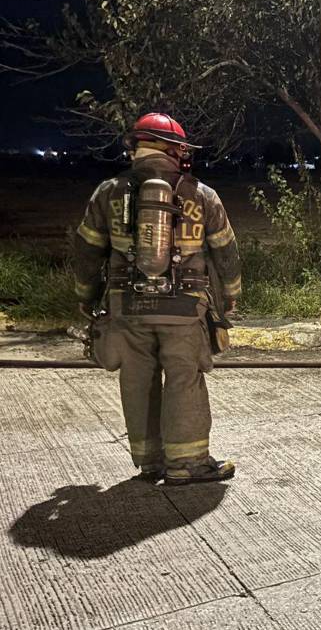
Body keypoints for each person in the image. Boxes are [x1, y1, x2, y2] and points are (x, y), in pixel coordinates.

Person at [73, 113, 242, 485]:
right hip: (184, 308)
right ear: (170, 148)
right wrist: (229, 296)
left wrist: (86, 296)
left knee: (137, 380)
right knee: (184, 377)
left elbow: (87, 251)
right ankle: (187, 463)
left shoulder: (108, 192)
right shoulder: (201, 194)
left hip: (127, 307)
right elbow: (226, 252)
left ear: (136, 146)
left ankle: (150, 462)